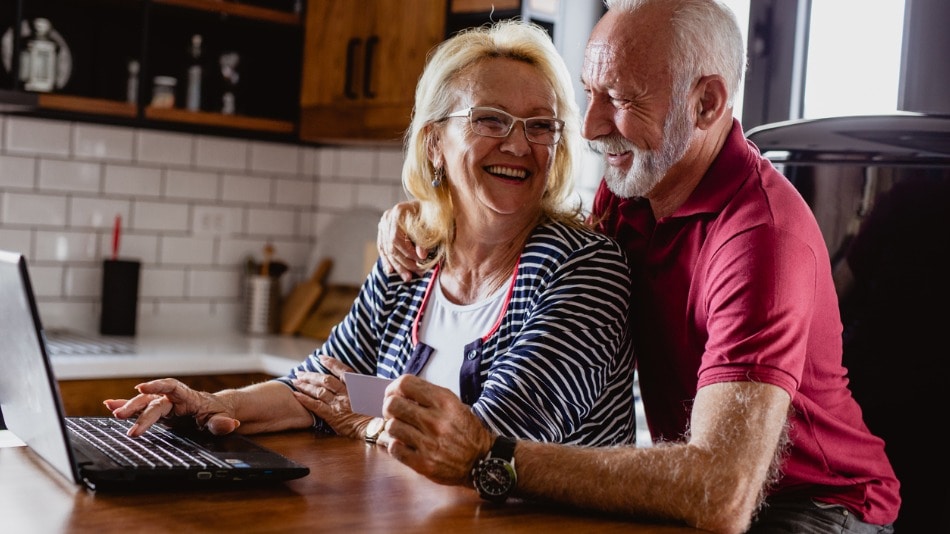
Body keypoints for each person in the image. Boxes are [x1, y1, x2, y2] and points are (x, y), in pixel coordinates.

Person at [373, 1, 900, 532]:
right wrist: (432, 214)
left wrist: (491, 456)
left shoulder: (761, 237)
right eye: (590, 93)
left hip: (819, 507)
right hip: (718, 491)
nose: (592, 125)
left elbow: (720, 493)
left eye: (621, 99)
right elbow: (535, 235)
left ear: (707, 103)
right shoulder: (633, 191)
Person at [104, 21, 636, 454]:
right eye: (490, 120)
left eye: (540, 125)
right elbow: (316, 386)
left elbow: (491, 441)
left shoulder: (584, 270)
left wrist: (364, 421)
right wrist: (208, 403)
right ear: (434, 143)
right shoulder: (414, 259)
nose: (519, 144)